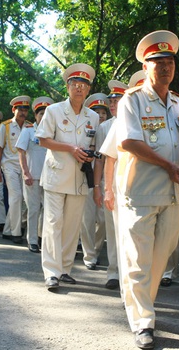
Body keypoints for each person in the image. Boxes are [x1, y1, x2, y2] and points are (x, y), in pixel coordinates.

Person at [115, 30, 179, 349]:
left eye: (169, 61)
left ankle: (142, 304)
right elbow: (128, 141)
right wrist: (167, 165)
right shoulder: (132, 100)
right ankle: (143, 320)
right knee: (139, 259)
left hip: (173, 194)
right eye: (157, 62)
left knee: (162, 255)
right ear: (146, 67)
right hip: (142, 191)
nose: (165, 66)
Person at [35, 63, 99, 290]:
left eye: (83, 85)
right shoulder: (53, 111)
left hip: (80, 178)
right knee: (53, 223)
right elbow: (43, 140)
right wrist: (71, 148)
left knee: (72, 226)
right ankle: (51, 272)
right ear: (68, 87)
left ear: (89, 89)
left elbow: (93, 145)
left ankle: (65, 269)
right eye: (75, 84)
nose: (79, 88)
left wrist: (89, 156)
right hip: (56, 175)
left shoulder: (93, 116)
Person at [92, 79, 129, 290]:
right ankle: (114, 272)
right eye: (111, 101)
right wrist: (98, 187)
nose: (113, 104)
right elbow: (100, 158)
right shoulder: (105, 127)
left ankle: (129, 274)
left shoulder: (138, 120)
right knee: (113, 231)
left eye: (117, 100)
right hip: (111, 184)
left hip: (132, 184)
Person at [16, 97, 53, 253]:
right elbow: (21, 151)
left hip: (50, 177)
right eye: (40, 113)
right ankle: (31, 240)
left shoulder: (53, 131)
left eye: (46, 114)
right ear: (36, 115)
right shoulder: (29, 130)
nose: (43, 117)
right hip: (33, 175)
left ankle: (43, 238)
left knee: (49, 210)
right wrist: (25, 173)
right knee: (33, 209)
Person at [0, 95, 32, 244]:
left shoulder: (30, 126)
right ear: (13, 110)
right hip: (9, 165)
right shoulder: (5, 126)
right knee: (16, 197)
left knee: (22, 199)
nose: (23, 112)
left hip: (25, 166)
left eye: (25, 109)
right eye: (20, 109)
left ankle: (7, 230)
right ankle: (16, 233)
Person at [80, 92, 110, 271]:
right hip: (86, 178)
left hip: (105, 180)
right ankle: (89, 255)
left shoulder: (110, 129)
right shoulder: (84, 129)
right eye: (97, 112)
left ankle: (97, 249)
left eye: (103, 112)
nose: (100, 115)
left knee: (104, 219)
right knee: (87, 219)